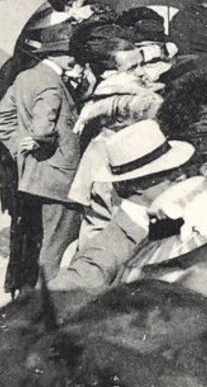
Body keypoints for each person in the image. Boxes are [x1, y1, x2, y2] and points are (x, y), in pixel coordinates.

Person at [50, 120, 197, 293]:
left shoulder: (169, 219)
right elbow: (53, 302)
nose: (181, 176)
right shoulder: (107, 251)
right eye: (168, 173)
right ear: (137, 185)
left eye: (179, 168)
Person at [0, 30, 83, 291]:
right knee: (55, 248)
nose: (76, 58)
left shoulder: (26, 77)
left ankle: (34, 298)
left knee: (38, 241)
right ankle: (47, 307)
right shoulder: (52, 83)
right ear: (59, 55)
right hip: (59, 180)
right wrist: (38, 140)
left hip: (34, 177)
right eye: (71, 53)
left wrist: (20, 148)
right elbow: (44, 127)